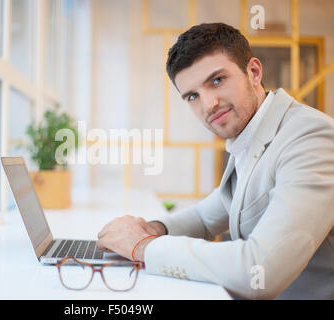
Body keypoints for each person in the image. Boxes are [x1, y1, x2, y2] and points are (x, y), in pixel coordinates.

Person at [96, 23, 334, 300]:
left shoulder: (311, 137)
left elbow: (261, 271)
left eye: (217, 80)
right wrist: (153, 229)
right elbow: (207, 216)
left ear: (254, 72)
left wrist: (144, 248)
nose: (208, 104)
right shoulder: (249, 134)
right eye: (193, 96)